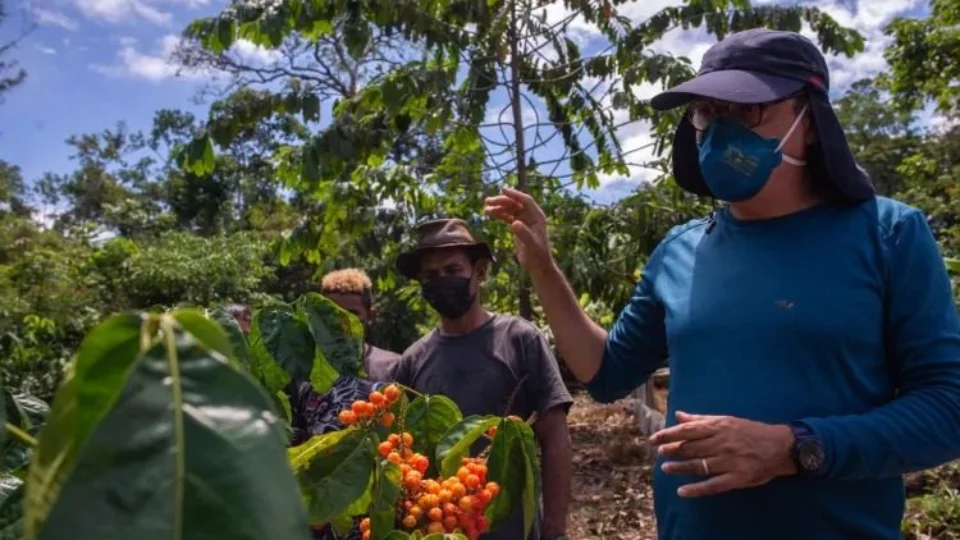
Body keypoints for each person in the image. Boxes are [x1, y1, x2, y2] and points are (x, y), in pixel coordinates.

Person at [484, 28, 960, 540]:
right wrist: (544, 269)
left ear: (812, 121)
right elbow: (605, 373)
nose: (719, 129)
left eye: (747, 109)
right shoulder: (679, 250)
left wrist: (793, 447)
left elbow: (948, 408)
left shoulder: (887, 234)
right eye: (708, 112)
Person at [392, 218, 574, 540]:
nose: (442, 280)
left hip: (513, 529)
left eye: (452, 270)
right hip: (440, 528)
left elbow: (555, 435)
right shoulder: (412, 361)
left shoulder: (520, 339)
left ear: (479, 272)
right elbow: (404, 457)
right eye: (431, 275)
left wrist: (555, 530)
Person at [319, 268, 401, 382]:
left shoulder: (394, 367)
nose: (343, 321)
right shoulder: (305, 370)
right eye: (333, 313)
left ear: (370, 315)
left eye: (352, 314)